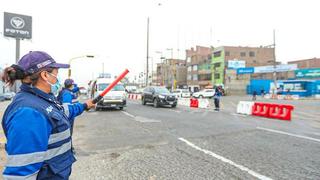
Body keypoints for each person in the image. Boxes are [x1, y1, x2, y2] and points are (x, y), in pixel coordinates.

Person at [1, 51, 95, 179]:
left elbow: (62, 112)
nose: (58, 80)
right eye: (56, 75)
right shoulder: (28, 113)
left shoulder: (42, 100)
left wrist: (84, 106)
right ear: (45, 75)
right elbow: (21, 175)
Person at [57, 78, 80, 153]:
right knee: (68, 132)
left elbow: (73, 90)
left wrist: (79, 88)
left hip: (65, 116)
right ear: (71, 85)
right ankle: (69, 149)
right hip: (68, 117)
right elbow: (67, 108)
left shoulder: (66, 91)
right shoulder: (67, 94)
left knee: (68, 132)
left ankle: (69, 147)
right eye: (73, 85)